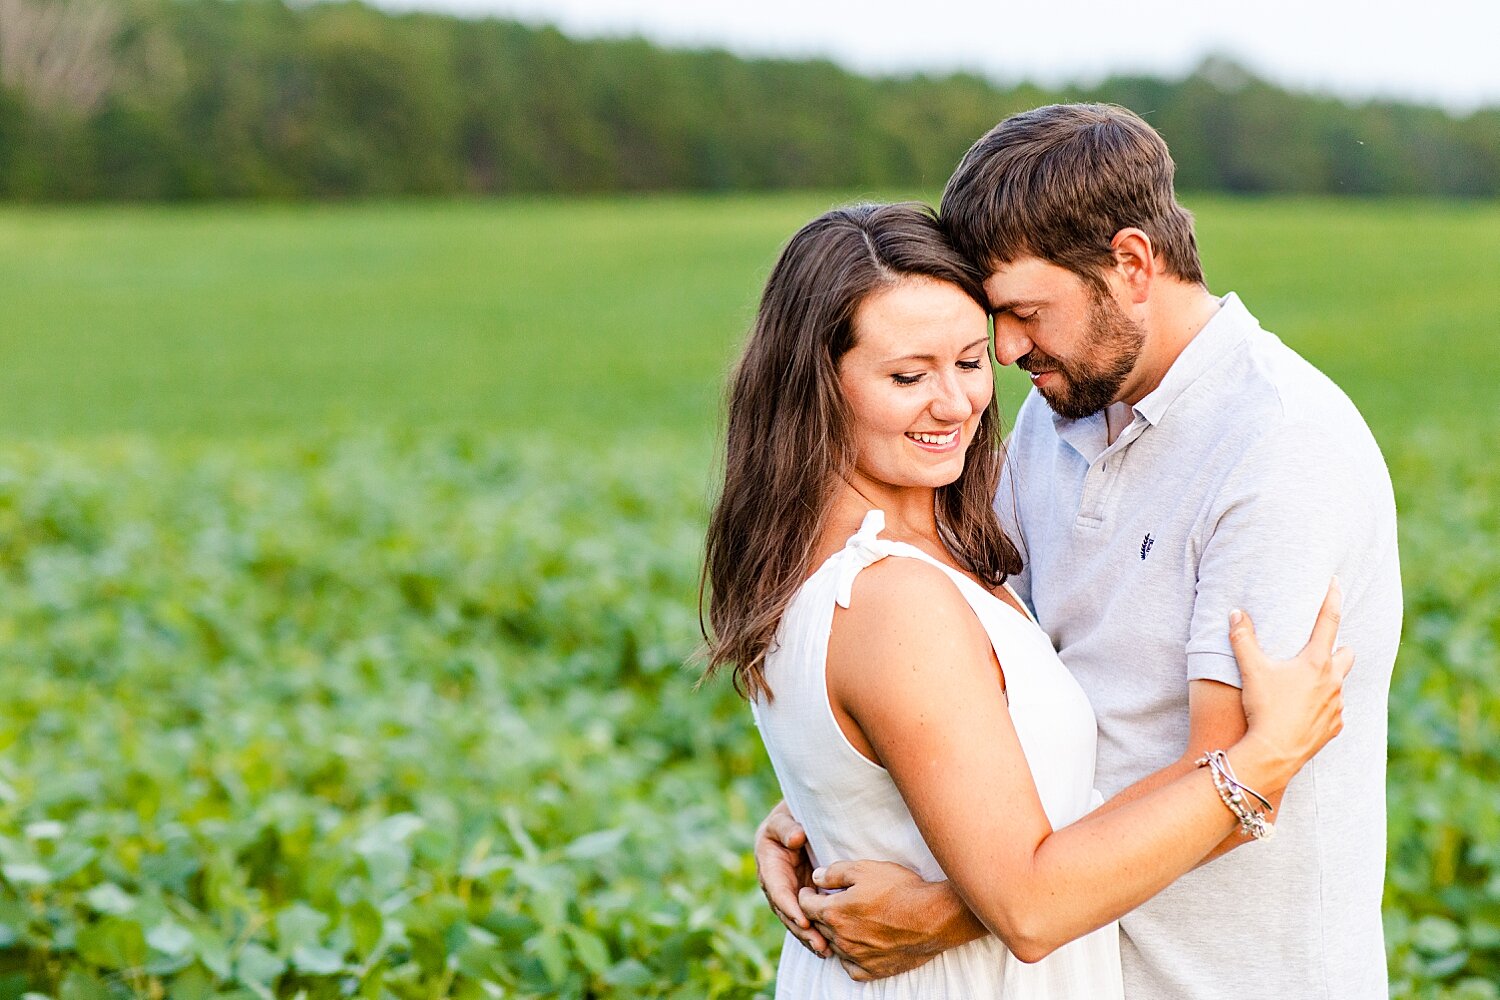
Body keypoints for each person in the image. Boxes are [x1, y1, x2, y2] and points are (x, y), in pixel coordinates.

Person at [754, 106, 1402, 999]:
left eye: (1023, 313)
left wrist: (952, 904)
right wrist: (854, 800)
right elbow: (978, 682)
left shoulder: (1280, 446)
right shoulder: (1051, 423)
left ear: (1131, 265)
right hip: (1075, 968)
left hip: (1226, 976)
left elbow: (1242, 778)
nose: (1007, 352)